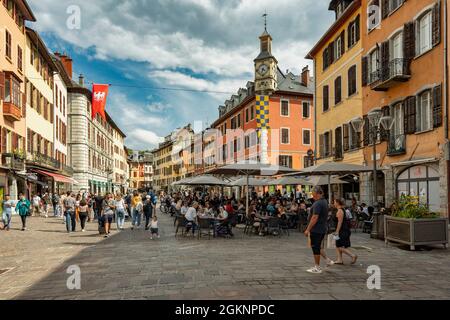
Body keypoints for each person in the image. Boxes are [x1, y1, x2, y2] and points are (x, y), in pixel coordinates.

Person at [304, 186, 334, 274]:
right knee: (318, 246)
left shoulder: (318, 203)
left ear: (317, 193)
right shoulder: (324, 201)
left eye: (313, 193)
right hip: (322, 227)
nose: (312, 195)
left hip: (316, 229)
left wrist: (308, 229)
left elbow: (314, 217)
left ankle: (317, 267)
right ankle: (328, 260)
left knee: (315, 247)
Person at [333, 198, 358, 265]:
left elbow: (340, 222)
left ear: (338, 203)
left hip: (342, 230)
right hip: (343, 230)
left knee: (340, 246)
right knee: (338, 245)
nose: (334, 203)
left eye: (334, 202)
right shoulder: (341, 210)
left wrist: (337, 231)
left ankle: (352, 255)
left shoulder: (340, 211)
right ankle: (339, 260)